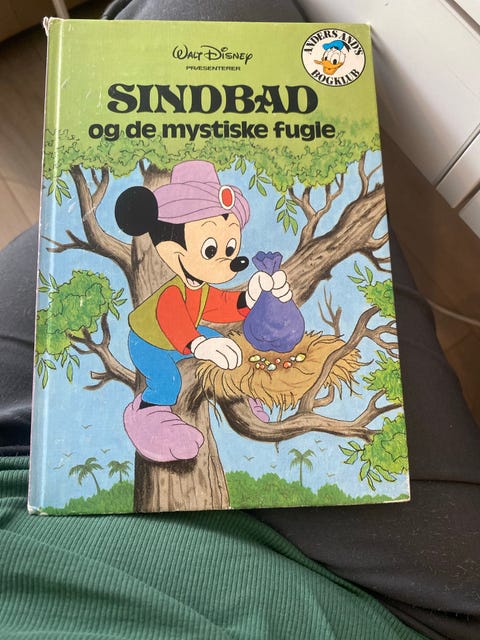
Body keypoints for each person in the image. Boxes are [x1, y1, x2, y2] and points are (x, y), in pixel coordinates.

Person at [1, 2, 479, 638]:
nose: (226, 258)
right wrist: (202, 345)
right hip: (155, 345)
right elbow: (178, 324)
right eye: (213, 250)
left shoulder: (203, 283)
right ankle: (147, 416)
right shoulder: (171, 295)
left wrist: (256, 294)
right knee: (168, 379)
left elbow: (223, 305)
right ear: (170, 250)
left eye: (230, 247)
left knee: (192, 13)